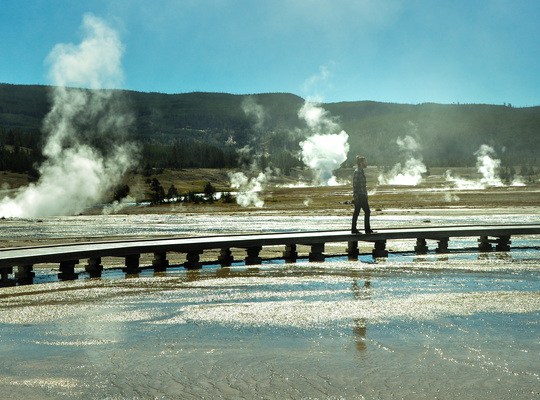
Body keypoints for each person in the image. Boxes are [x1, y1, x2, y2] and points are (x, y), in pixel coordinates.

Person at [351, 155, 373, 234]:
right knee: (367, 211)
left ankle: (354, 229)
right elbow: (355, 185)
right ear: (361, 163)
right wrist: (356, 196)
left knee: (357, 212)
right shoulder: (357, 172)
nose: (366, 163)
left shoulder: (360, 171)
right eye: (365, 162)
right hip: (360, 195)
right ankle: (367, 229)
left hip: (362, 195)